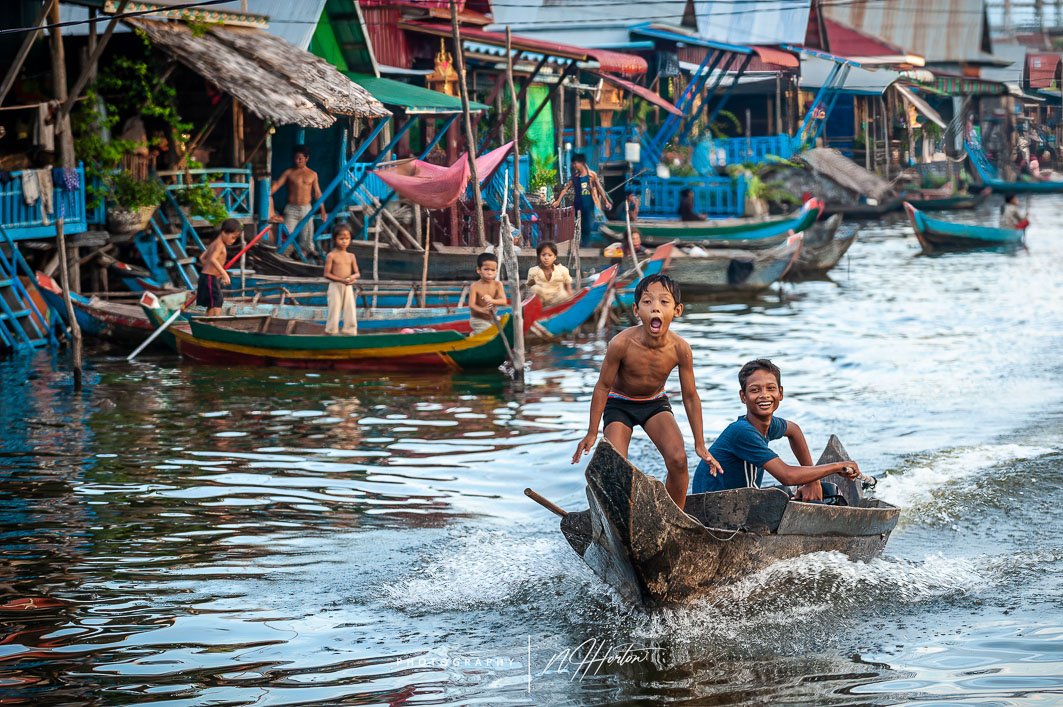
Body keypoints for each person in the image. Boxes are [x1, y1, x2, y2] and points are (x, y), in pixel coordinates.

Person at [572, 274, 721, 511]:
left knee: (678, 460)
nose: (655, 308)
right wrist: (592, 431)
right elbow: (602, 386)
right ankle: (616, 518)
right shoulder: (621, 343)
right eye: (647, 302)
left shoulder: (680, 349)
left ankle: (674, 517)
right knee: (616, 465)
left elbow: (690, 396)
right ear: (636, 309)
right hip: (619, 404)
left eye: (664, 302)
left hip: (654, 403)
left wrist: (700, 443)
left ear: (677, 310)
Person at [691, 359, 861, 501]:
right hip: (714, 508)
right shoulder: (742, 432)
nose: (764, 395)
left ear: (780, 393)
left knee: (819, 492)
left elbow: (794, 430)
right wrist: (838, 466)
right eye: (755, 390)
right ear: (743, 397)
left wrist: (812, 482)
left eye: (770, 388)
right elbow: (786, 476)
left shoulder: (768, 424)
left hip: (739, 502)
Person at [270, 146, 327, 259]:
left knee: (307, 237)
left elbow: (317, 193)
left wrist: (323, 210)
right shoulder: (289, 172)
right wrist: (269, 192)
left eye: (300, 158)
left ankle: (306, 256)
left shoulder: (312, 174)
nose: (297, 161)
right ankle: (285, 255)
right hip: (291, 208)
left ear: (306, 158)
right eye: (296, 158)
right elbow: (278, 185)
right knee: (286, 234)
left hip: (306, 208)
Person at [552, 153, 611, 245]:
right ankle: (579, 243)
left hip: (589, 205)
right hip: (577, 204)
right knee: (576, 226)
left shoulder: (592, 175)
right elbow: (565, 189)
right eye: (573, 164)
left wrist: (606, 201)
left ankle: (586, 245)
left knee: (587, 226)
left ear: (582, 163)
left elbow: (600, 188)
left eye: (575, 163)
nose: (574, 165)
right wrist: (558, 201)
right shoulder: (575, 177)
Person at [197, 218, 241, 317]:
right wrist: (224, 274)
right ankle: (213, 323)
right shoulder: (220, 245)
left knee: (213, 303)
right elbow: (212, 259)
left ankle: (209, 323)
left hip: (208, 276)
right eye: (233, 237)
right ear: (224, 232)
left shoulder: (214, 243)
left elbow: (202, 258)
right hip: (209, 278)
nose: (233, 241)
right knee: (217, 301)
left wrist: (211, 270)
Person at [323, 223, 360, 335]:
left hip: (348, 286)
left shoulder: (351, 256)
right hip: (335, 286)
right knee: (334, 309)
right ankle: (331, 331)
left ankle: (350, 331)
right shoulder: (331, 255)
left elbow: (357, 273)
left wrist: (352, 278)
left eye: (347, 238)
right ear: (335, 239)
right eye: (341, 238)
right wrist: (340, 280)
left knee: (350, 310)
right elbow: (327, 274)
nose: (344, 241)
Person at [469, 252, 508, 334]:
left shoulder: (498, 284)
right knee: (490, 333)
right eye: (486, 269)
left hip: (493, 318)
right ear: (479, 270)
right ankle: (474, 335)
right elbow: (472, 305)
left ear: (496, 271)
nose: (490, 273)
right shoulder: (475, 286)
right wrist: (482, 310)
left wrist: (492, 300)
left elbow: (503, 301)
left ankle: (475, 334)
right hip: (478, 319)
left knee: (504, 330)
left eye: (493, 270)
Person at [526, 241, 573, 307]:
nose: (546, 258)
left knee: (563, 294)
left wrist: (571, 301)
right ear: (539, 256)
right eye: (543, 255)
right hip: (540, 303)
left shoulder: (562, 270)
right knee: (535, 288)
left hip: (557, 301)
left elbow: (568, 289)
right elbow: (529, 287)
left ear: (555, 257)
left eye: (550, 255)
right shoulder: (533, 271)